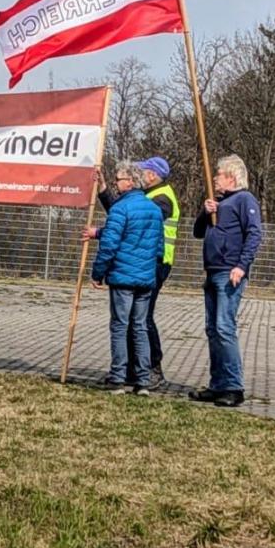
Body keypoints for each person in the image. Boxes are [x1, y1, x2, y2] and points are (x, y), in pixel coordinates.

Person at [85, 156, 180, 388]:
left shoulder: (162, 198)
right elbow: (123, 213)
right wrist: (105, 189)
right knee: (135, 321)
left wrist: (99, 234)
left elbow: (128, 222)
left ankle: (150, 368)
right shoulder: (147, 198)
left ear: (152, 175)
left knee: (140, 321)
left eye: (143, 170)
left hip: (154, 264)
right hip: (146, 263)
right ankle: (134, 371)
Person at [190, 154, 262, 408]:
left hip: (229, 272)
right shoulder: (218, 203)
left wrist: (241, 266)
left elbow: (254, 234)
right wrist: (204, 212)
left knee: (224, 327)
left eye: (218, 175)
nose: (214, 180)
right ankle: (218, 383)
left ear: (231, 176)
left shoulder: (244, 200)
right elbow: (198, 232)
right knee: (212, 329)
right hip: (212, 271)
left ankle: (233, 386)